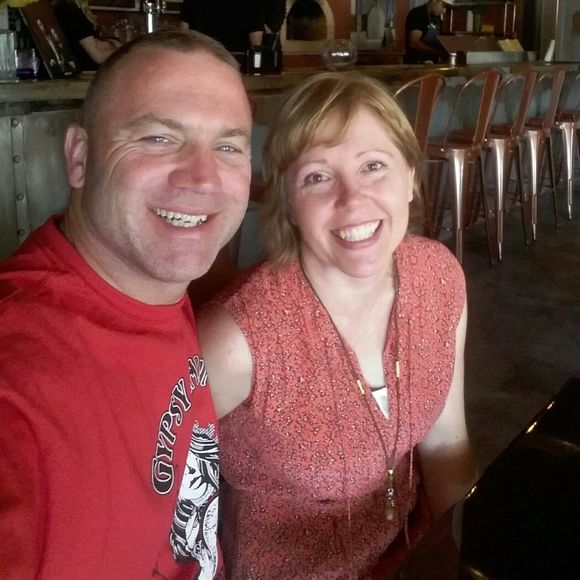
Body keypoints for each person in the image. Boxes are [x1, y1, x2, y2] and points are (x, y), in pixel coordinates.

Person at [197, 72, 477, 578]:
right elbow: (150, 499)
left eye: (373, 166)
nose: (352, 199)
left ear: (410, 176)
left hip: (414, 553)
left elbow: (445, 445)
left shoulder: (439, 278)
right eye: (317, 177)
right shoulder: (238, 339)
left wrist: (458, 558)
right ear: (288, 203)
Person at [0, 29, 253, 579]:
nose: (203, 178)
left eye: (228, 146)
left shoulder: (144, 280)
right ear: (80, 157)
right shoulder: (24, 382)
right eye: (159, 138)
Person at [52, 0, 120, 70]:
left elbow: (91, 43)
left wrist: (111, 44)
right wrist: (122, 50)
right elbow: (98, 57)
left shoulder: (63, 6)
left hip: (79, 68)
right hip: (86, 70)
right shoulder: (70, 10)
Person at [179, 0, 264, 53]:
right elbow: (256, 43)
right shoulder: (253, 2)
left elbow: (184, 34)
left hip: (201, 56)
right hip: (236, 60)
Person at [405, 0, 449, 64]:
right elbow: (414, 43)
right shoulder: (418, 14)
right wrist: (437, 52)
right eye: (443, 6)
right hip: (416, 63)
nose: (444, 11)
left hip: (433, 63)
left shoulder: (437, 18)